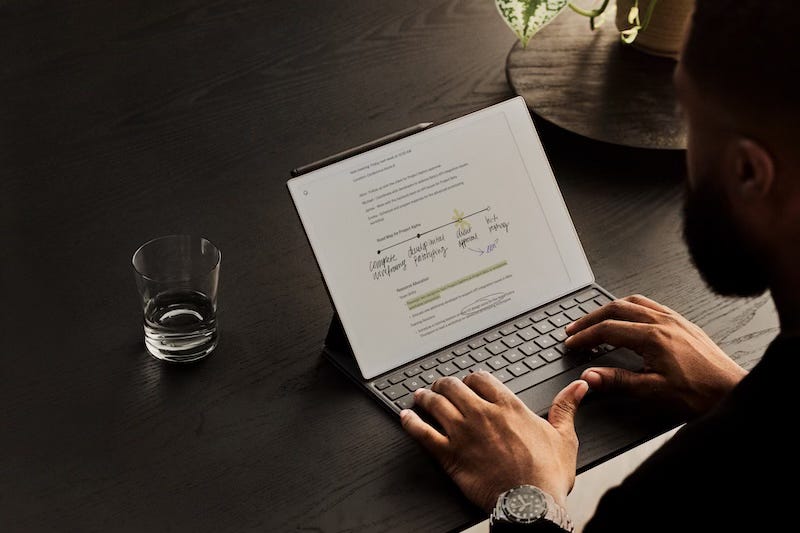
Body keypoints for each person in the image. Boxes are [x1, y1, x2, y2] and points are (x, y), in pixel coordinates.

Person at [400, 0, 800, 530]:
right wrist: (736, 392)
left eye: (688, 117)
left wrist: (526, 495)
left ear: (749, 172)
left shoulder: (683, 489)